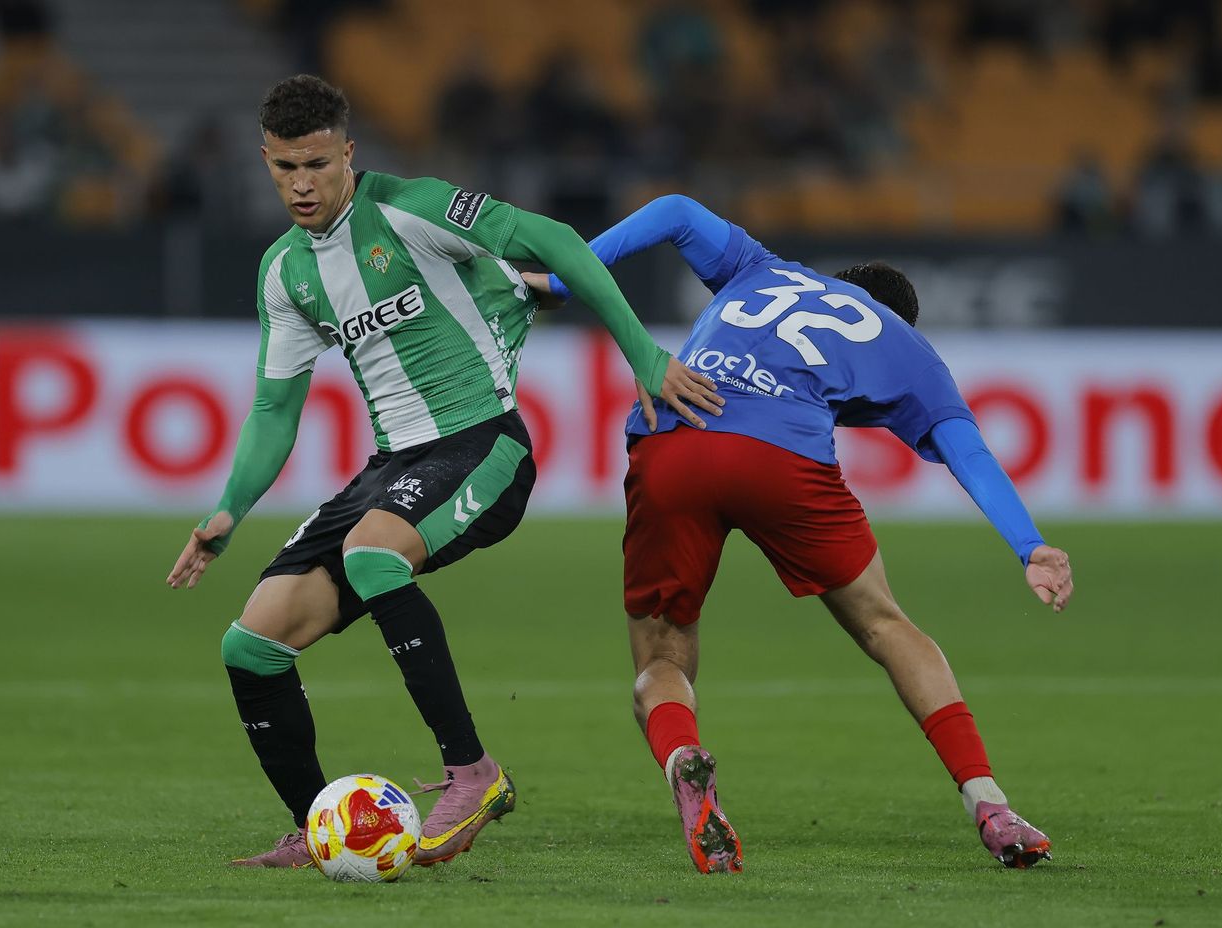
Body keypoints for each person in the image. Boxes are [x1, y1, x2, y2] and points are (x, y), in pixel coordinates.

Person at [167, 77, 721, 868]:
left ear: (348, 153)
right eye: (284, 167)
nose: (301, 184)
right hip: (392, 466)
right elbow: (273, 408)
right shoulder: (285, 271)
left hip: (485, 443)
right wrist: (226, 511)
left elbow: (559, 239)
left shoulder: (413, 207)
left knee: (371, 550)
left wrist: (645, 354)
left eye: (318, 164)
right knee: (251, 643)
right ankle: (318, 827)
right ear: (265, 159)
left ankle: (473, 772)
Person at [525, 195, 1073, 874]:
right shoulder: (907, 346)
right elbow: (970, 453)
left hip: (674, 430)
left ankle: (683, 755)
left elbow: (672, 211)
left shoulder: (760, 267)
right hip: (779, 457)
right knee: (886, 624)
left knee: (660, 656)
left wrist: (560, 280)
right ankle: (989, 802)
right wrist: (1030, 544)